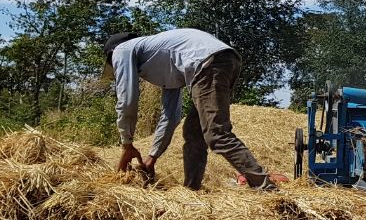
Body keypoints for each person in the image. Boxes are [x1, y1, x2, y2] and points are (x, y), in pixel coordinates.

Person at [105, 28, 275, 191]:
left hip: (207, 63)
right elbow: (171, 116)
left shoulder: (121, 50)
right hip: (223, 59)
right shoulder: (161, 58)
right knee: (194, 132)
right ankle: (192, 190)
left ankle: (266, 187)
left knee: (217, 134)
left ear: (111, 55)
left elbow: (127, 100)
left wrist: (126, 144)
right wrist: (152, 158)